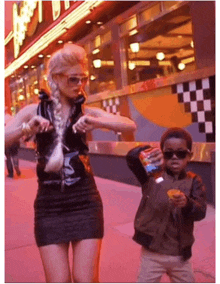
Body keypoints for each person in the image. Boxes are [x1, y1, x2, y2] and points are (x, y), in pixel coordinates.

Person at [5, 43, 136, 283]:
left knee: (85, 280)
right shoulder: (33, 110)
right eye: (73, 79)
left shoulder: (85, 109)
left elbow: (129, 125)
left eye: (83, 79)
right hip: (49, 206)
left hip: (84, 201)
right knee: (59, 281)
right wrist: (28, 127)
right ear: (55, 78)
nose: (80, 85)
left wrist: (97, 122)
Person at [126, 127, 206, 283]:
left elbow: (201, 211)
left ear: (190, 155)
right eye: (168, 154)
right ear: (162, 154)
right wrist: (148, 150)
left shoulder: (194, 181)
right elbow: (131, 158)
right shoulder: (151, 174)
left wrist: (187, 204)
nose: (174, 158)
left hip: (180, 256)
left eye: (181, 153)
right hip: (152, 254)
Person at [5, 107, 21, 178]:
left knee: (8, 156)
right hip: (14, 138)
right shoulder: (12, 117)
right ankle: (16, 165)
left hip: (6, 139)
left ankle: (10, 173)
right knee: (14, 154)